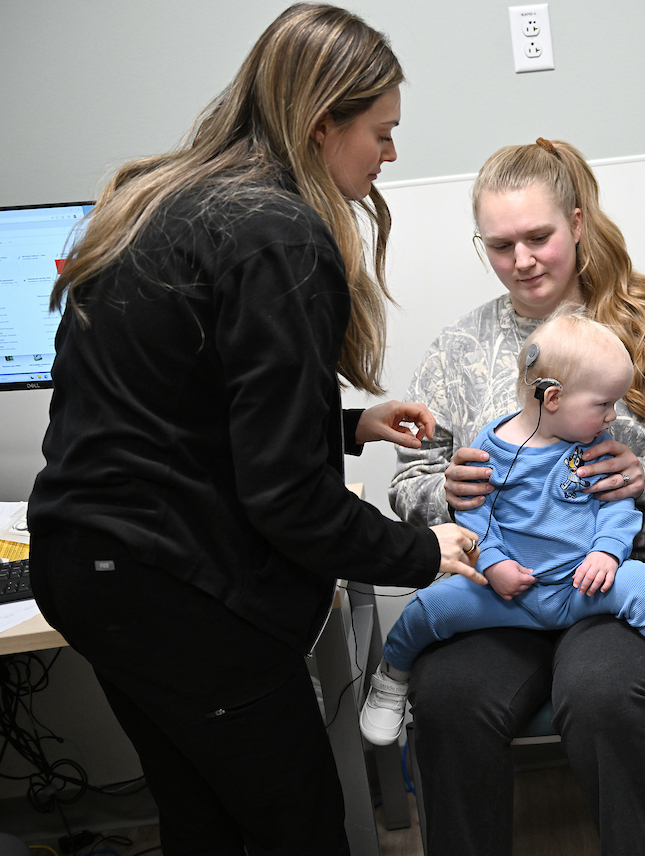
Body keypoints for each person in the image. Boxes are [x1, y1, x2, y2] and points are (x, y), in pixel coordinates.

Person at [26, 6, 484, 855]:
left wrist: (347, 424)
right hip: (173, 592)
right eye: (381, 132)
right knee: (296, 826)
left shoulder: (160, 200)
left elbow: (182, 407)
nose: (391, 154)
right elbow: (288, 501)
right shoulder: (279, 237)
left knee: (204, 820)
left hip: (88, 568)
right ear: (321, 126)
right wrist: (423, 553)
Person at [389, 138, 645, 855]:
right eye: (500, 245)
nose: (522, 259)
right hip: (511, 584)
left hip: (644, 573)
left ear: (579, 223)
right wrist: (444, 491)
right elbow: (409, 484)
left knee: (598, 690)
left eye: (538, 237)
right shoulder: (460, 349)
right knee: (446, 697)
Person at [360, 311, 645, 746]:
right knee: (426, 610)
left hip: (580, 586)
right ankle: (390, 681)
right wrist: (494, 563)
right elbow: (474, 515)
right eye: (604, 404)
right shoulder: (488, 449)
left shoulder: (593, 448)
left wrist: (607, 553)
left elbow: (617, 506)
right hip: (510, 594)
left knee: (642, 584)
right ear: (553, 398)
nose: (613, 416)